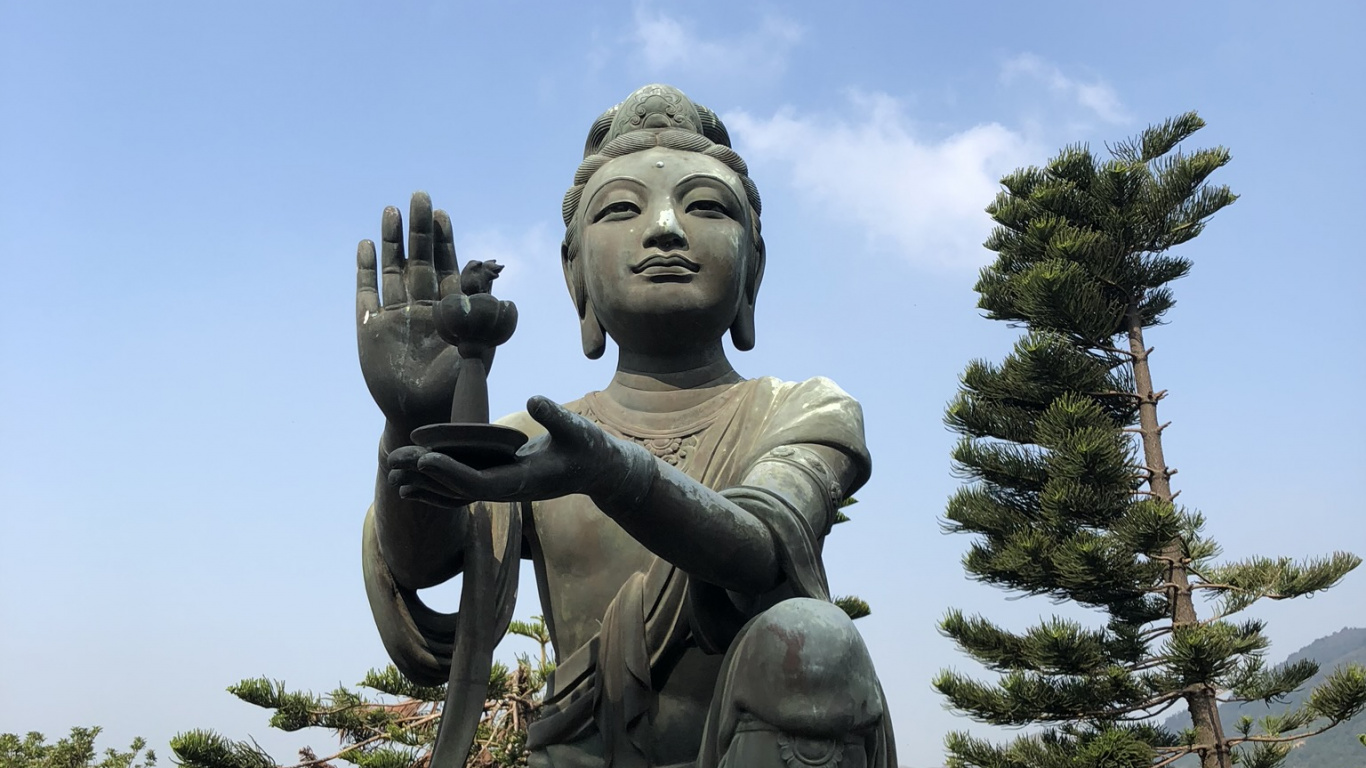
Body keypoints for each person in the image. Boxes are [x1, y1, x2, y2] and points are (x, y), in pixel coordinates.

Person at [356, 85, 895, 768]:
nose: (665, 227)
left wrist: (611, 474)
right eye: (620, 211)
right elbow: (421, 562)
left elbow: (759, 550)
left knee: (813, 638)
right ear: (573, 273)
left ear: (753, 267)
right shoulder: (534, 436)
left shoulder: (802, 408)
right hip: (577, 757)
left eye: (704, 205)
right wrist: (412, 420)